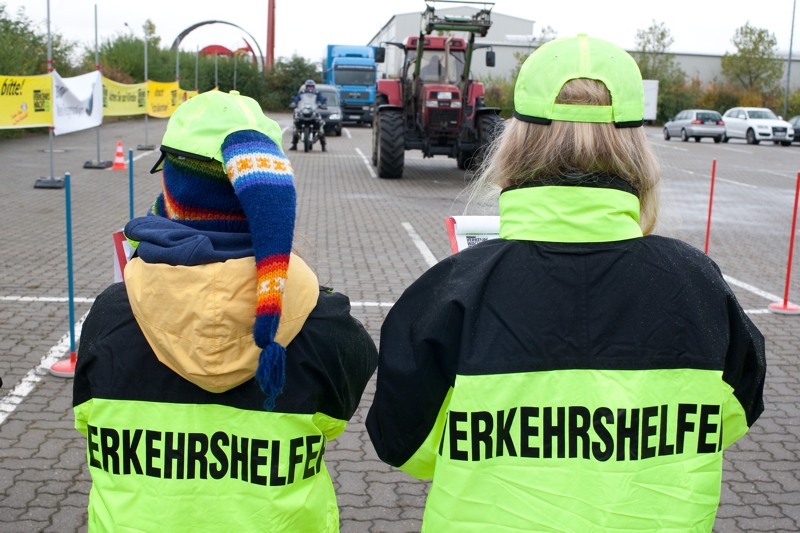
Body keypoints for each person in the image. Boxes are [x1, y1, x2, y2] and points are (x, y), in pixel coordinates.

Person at [366, 35, 765, 532]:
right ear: (636, 148)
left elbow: (403, 443)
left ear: (515, 142)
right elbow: (733, 414)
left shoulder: (449, 292)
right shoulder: (701, 288)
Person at [73, 89, 378, 532]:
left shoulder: (108, 318)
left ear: (171, 192)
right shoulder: (328, 324)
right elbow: (333, 422)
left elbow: (86, 420)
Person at [290, 79, 327, 152]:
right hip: (304, 110)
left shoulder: (317, 93)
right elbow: (297, 99)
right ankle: (294, 145)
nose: (310, 88)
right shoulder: (302, 93)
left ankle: (323, 145)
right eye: (309, 87)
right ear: (306, 87)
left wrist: (324, 104)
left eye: (311, 87)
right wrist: (294, 102)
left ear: (313, 87)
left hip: (313, 111)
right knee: (296, 123)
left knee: (320, 124)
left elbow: (322, 99)